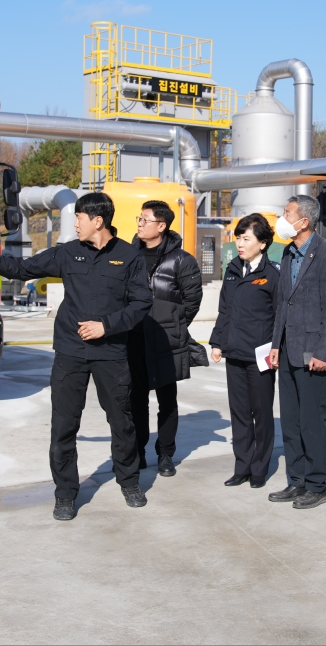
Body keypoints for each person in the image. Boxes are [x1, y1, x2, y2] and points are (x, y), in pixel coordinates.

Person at [0, 192, 153, 522]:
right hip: (70, 353)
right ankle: (65, 494)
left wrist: (106, 327)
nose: (74, 223)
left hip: (111, 353)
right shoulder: (68, 253)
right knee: (64, 425)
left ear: (97, 221)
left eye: (79, 218)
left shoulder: (129, 257)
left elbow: (141, 303)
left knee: (122, 422)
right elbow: (21, 268)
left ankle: (129, 482)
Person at [267, 194, 326, 509]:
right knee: (291, 421)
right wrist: (274, 345)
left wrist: (324, 352)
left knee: (312, 421)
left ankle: (316, 484)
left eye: (287, 213)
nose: (281, 218)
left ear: (304, 221)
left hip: (314, 353)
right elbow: (283, 303)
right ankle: (296, 481)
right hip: (287, 349)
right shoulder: (287, 253)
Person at [128, 200, 203, 477]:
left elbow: (192, 300)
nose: (139, 223)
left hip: (165, 340)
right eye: (139, 218)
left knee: (167, 400)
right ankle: (137, 451)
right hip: (133, 339)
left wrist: (174, 327)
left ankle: (165, 454)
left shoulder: (181, 260)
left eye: (145, 219)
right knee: (135, 399)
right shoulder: (127, 255)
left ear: (161, 226)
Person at [210, 213, 280, 488]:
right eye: (238, 238)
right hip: (234, 353)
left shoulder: (272, 274)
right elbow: (224, 309)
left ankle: (260, 469)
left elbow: (279, 316)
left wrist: (277, 348)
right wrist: (217, 342)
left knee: (261, 413)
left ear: (262, 243)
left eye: (246, 238)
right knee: (239, 413)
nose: (240, 244)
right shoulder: (232, 269)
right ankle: (242, 467)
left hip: (261, 356)